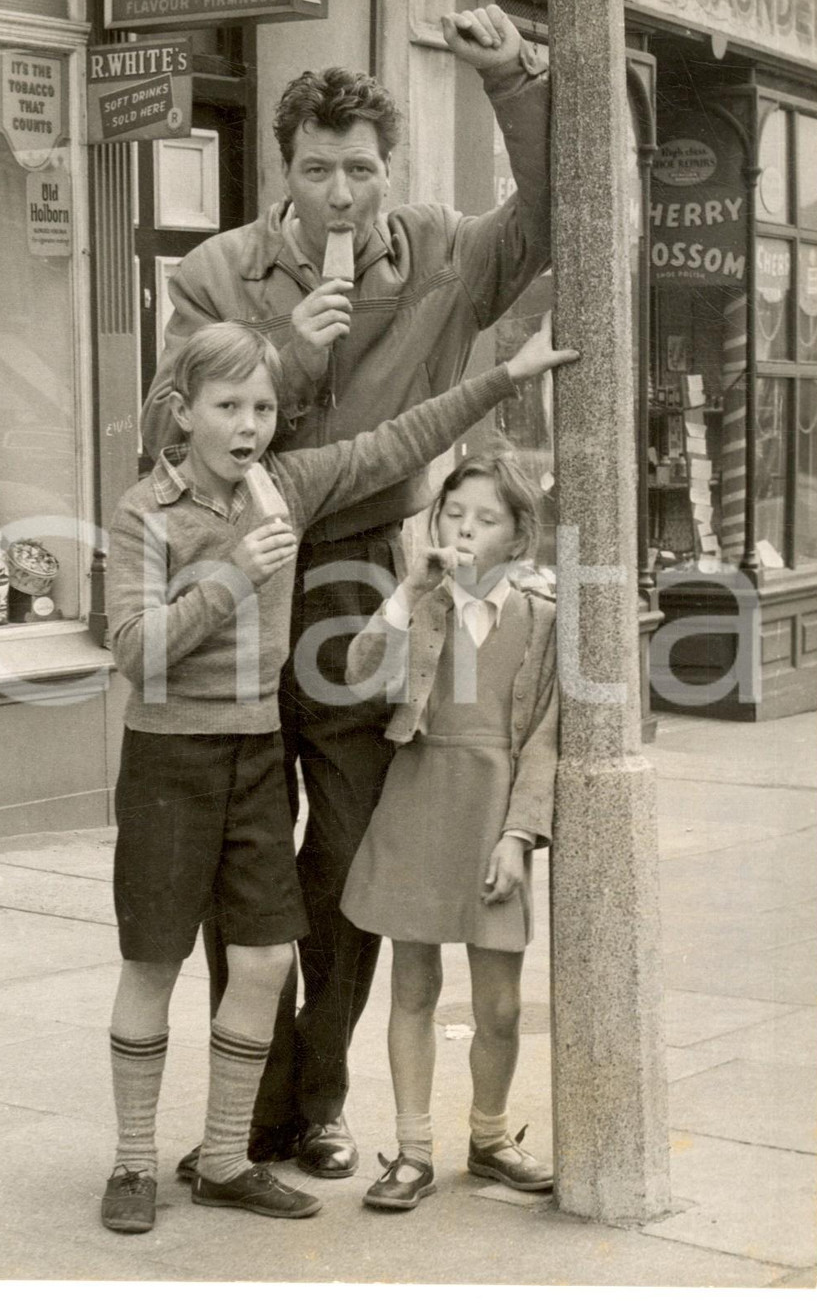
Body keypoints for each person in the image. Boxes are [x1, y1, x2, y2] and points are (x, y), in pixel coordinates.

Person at [139, 3, 552, 1179]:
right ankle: (252, 1118)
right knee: (250, 854)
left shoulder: (433, 248)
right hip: (242, 567)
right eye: (316, 170)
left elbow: (550, 217)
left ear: (389, 171)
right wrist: (288, 344)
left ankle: (318, 1099)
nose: (339, 195)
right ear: (283, 169)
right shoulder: (219, 271)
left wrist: (510, 77)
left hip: (372, 565)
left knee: (351, 854)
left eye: (359, 171)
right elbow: (189, 429)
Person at [101, 319, 577, 1232]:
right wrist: (233, 575)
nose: (249, 426)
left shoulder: (283, 485)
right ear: (182, 411)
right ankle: (131, 1165)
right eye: (229, 407)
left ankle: (228, 1159)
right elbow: (134, 651)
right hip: (169, 751)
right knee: (155, 958)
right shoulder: (143, 513)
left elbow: (393, 443)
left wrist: (498, 378)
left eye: (265, 408)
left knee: (269, 956)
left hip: (254, 748)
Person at [339, 443, 558, 1211]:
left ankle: (492, 1137)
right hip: (421, 798)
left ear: (518, 536)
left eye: (485, 519)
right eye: (453, 513)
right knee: (413, 985)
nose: (464, 530)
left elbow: (546, 741)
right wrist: (404, 591)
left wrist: (519, 837)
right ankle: (410, 1150)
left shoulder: (539, 619)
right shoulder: (423, 606)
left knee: (498, 1004)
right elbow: (358, 678)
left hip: (494, 814)